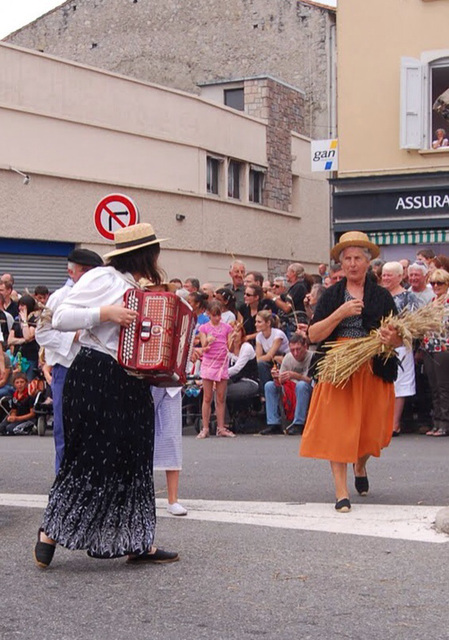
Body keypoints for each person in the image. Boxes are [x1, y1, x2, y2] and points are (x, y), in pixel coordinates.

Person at [33, 222, 179, 569]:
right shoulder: (103, 278)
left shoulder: (134, 285)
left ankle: (137, 541)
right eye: (155, 250)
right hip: (97, 374)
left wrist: (157, 371)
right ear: (144, 253)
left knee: (133, 457)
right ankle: (50, 532)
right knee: (89, 457)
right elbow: (61, 318)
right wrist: (105, 313)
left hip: (128, 380)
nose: (158, 256)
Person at [300, 231, 401, 513]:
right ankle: (341, 493)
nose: (353, 264)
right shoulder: (332, 295)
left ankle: (360, 463)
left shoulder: (381, 296)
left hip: (372, 365)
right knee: (337, 430)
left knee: (373, 431)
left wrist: (389, 337)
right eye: (348, 259)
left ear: (368, 263)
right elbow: (313, 334)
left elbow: (401, 338)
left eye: (358, 258)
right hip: (337, 368)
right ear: (341, 264)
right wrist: (340, 313)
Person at [35, 248, 104, 473]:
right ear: (72, 272)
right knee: (65, 430)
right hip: (67, 368)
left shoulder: (101, 296)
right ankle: (63, 481)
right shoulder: (58, 298)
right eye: (86, 272)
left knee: (94, 430)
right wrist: (73, 336)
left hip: (96, 370)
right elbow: (42, 334)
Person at [381, 262, 420, 436]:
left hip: (401, 346)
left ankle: (394, 424)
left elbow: (413, 323)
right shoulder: (379, 295)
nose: (386, 278)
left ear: (399, 276)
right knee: (383, 383)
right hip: (380, 345)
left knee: (400, 385)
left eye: (389, 275)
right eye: (384, 274)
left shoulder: (408, 297)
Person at [260, 333, 313, 436]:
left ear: (305, 347)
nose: (296, 353)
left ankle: (299, 423)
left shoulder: (312, 357)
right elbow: (281, 381)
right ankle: (273, 423)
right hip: (289, 389)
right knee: (269, 385)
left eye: (298, 349)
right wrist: (276, 377)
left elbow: (312, 382)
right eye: (292, 350)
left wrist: (296, 376)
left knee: (301, 386)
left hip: (306, 388)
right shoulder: (288, 358)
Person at [197, 301, 234, 439]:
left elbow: (229, 347)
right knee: (207, 397)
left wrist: (233, 338)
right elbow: (203, 346)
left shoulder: (227, 328)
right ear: (209, 315)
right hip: (209, 362)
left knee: (220, 397)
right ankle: (205, 427)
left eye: (219, 315)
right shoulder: (204, 328)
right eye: (214, 315)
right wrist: (208, 341)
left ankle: (221, 427)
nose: (217, 318)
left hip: (221, 362)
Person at [152, 386, 187, 516]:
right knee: (138, 437)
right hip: (142, 379)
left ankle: (173, 500)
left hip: (171, 383)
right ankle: (133, 497)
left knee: (172, 437)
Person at [422, 268, 449, 437]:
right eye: (433, 283)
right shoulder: (432, 301)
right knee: (433, 386)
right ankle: (437, 421)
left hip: (443, 347)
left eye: (440, 283)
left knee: (443, 386)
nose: (436, 286)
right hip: (429, 346)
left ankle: (445, 423)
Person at [255, 310, 290, 394]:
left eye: (259, 322)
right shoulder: (259, 337)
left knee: (262, 364)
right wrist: (271, 357)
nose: (256, 324)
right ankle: (265, 394)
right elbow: (258, 358)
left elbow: (269, 356)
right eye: (256, 322)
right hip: (273, 361)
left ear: (268, 323)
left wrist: (269, 357)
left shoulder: (278, 334)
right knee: (261, 365)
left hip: (284, 360)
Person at [8, 295, 40, 381]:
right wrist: (23, 341)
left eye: (22, 305)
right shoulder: (17, 320)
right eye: (19, 305)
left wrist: (25, 321)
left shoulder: (34, 319)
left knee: (28, 381)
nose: (19, 308)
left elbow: (28, 335)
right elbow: (10, 340)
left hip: (30, 358)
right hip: (18, 357)